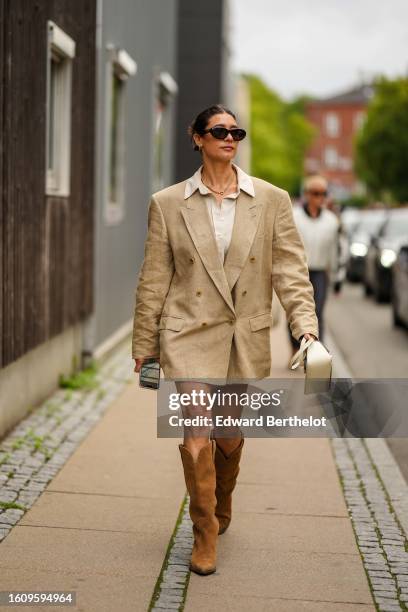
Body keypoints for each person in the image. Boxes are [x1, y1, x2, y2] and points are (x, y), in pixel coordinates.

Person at [131, 104, 319, 576]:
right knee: (196, 431)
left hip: (244, 334)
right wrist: (144, 344)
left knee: (228, 436)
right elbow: (154, 277)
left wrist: (306, 329)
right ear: (197, 138)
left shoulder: (271, 200)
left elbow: (291, 271)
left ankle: (222, 495)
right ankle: (204, 532)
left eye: (236, 131)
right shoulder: (168, 202)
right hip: (187, 330)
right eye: (219, 131)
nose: (230, 138)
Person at [288, 175, 340, 358]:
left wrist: (336, 276)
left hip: (319, 272)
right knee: (296, 311)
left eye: (323, 194)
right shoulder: (294, 216)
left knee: (317, 312)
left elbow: (334, 249)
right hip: (298, 272)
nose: (320, 198)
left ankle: (317, 355)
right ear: (307, 194)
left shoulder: (332, 221)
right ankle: (295, 349)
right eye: (316, 193)